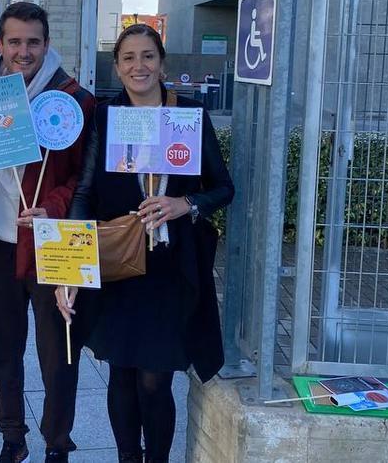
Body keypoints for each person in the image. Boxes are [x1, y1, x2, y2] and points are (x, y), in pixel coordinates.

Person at [62, 24, 234, 463]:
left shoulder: (189, 115)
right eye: (128, 58)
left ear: (162, 63)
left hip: (170, 269)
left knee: (155, 379)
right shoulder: (104, 117)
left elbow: (223, 187)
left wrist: (185, 204)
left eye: (148, 56)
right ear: (117, 68)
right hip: (119, 265)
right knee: (121, 373)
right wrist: (72, 268)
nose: (139, 66)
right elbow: (84, 193)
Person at [0, 2, 96, 463]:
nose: (24, 52)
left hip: (55, 241)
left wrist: (55, 206)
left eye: (34, 42)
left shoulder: (74, 99)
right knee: (3, 347)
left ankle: (57, 443)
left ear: (47, 44)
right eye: (15, 42)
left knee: (59, 350)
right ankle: (12, 437)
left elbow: (86, 175)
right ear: (0, 44)